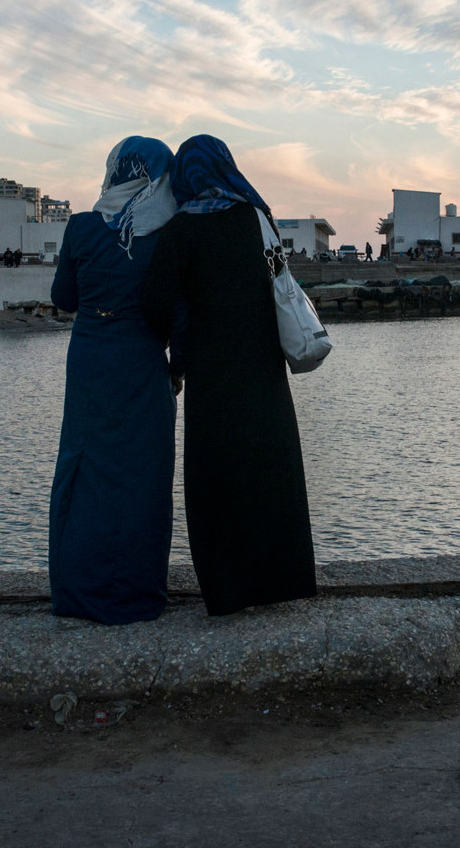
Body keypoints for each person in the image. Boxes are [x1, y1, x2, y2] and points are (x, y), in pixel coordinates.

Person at [140, 134, 317, 617]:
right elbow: (278, 281)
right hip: (262, 369)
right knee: (269, 470)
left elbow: (155, 302)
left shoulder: (180, 231)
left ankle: (227, 590)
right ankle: (284, 580)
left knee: (217, 478)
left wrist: (179, 352)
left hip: (211, 375)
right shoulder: (256, 217)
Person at [48, 136, 180, 625]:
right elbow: (172, 309)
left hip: (89, 358)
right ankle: (135, 592)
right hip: (143, 359)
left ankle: (77, 591)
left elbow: (64, 298)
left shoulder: (81, 227)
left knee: (85, 467)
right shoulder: (166, 230)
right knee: (140, 474)